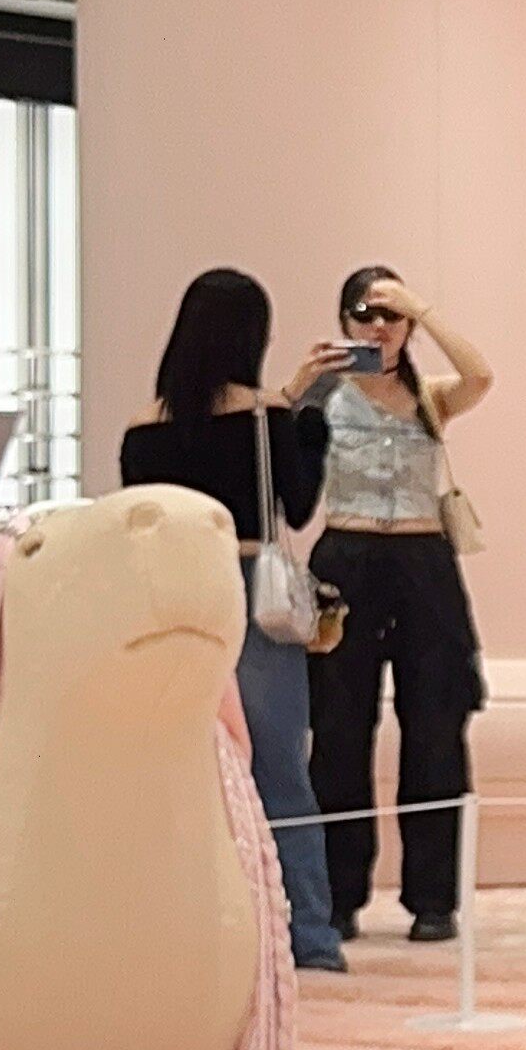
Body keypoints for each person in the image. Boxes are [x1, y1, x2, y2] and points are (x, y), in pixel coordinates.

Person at [119, 266, 345, 977]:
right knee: (280, 769)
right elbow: (297, 509)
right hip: (250, 592)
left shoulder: (142, 429)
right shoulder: (265, 419)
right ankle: (308, 934)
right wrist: (310, 425)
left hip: (173, 597)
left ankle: (191, 931)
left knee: (181, 767)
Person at [305, 265, 494, 945]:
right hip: (346, 558)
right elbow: (281, 436)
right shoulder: (325, 393)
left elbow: (480, 375)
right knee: (338, 729)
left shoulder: (429, 394)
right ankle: (337, 895)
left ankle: (434, 899)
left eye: (391, 314)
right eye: (365, 313)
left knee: (437, 726)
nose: (378, 326)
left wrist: (424, 309)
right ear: (343, 321)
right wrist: (304, 380)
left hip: (422, 562)